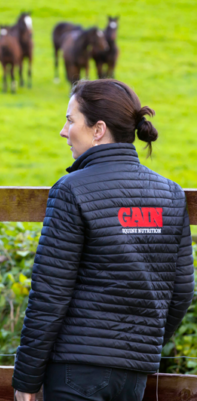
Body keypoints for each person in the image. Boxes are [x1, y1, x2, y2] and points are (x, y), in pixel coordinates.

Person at [12, 79, 194, 401]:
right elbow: (181, 291)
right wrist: (141, 344)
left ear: (98, 129)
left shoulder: (71, 190)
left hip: (75, 371)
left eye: (70, 120)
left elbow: (49, 295)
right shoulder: (170, 194)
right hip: (133, 376)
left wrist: (26, 380)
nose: (63, 131)